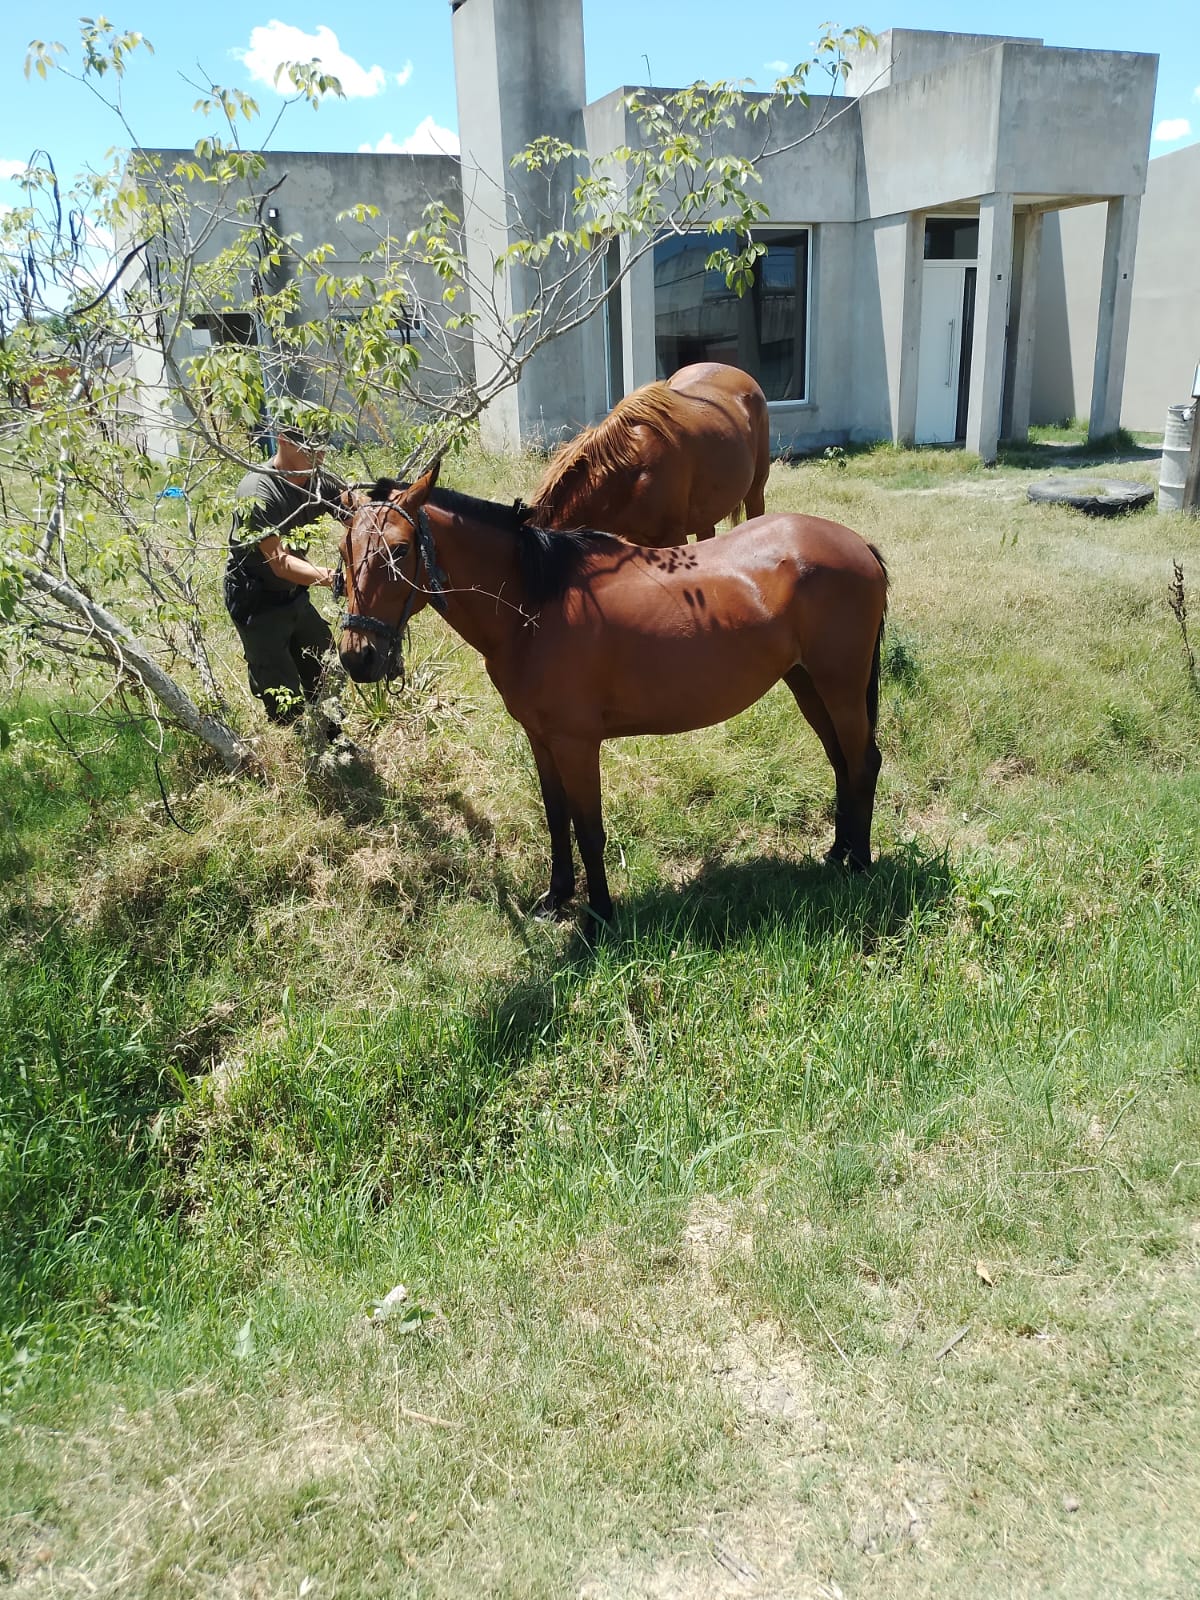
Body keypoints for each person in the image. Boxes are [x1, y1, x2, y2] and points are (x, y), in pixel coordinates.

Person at [223, 425, 348, 736]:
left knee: (325, 664)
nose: (317, 456)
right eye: (309, 449)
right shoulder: (257, 490)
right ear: (282, 440)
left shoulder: (319, 479)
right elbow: (280, 563)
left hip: (294, 594)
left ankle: (332, 736)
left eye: (321, 449)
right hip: (258, 599)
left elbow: (357, 511)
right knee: (281, 691)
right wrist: (336, 580)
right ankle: (298, 751)